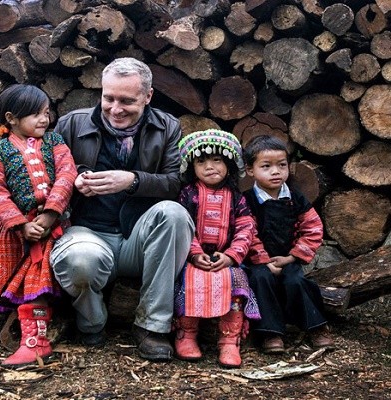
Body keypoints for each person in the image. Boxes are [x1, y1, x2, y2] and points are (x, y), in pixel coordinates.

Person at [49, 57, 194, 362]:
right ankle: (92, 321)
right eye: (109, 98)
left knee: (174, 214)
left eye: (127, 100)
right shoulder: (71, 123)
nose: (116, 109)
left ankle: (151, 327)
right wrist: (71, 182)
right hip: (86, 231)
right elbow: (46, 177)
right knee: (79, 260)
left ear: (148, 96)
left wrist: (132, 180)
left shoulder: (168, 127)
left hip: (137, 239)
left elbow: (174, 184)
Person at [0, 84, 77, 367]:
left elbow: (67, 175)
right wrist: (20, 224)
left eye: (46, 113)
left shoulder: (55, 142)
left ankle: (35, 342)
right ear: (11, 118)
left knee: (36, 280)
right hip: (14, 231)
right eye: (35, 114)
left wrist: (50, 214)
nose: (44, 120)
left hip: (50, 229)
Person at [173, 129, 260, 368]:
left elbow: (246, 228)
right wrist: (194, 253)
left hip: (227, 260)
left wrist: (232, 256)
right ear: (192, 167)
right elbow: (184, 227)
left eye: (217, 160)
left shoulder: (236, 198)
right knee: (188, 282)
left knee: (237, 284)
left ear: (229, 164)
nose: (210, 166)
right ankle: (187, 334)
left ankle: (229, 341)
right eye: (201, 161)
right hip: (194, 259)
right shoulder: (188, 195)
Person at [242, 135, 334, 354]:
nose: (276, 172)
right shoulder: (247, 201)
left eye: (281, 165)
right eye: (266, 166)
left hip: (287, 257)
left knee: (297, 280)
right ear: (250, 170)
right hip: (258, 262)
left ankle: (316, 326)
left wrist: (291, 258)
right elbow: (247, 232)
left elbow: (313, 228)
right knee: (260, 280)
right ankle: (271, 333)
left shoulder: (295, 198)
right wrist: (265, 261)